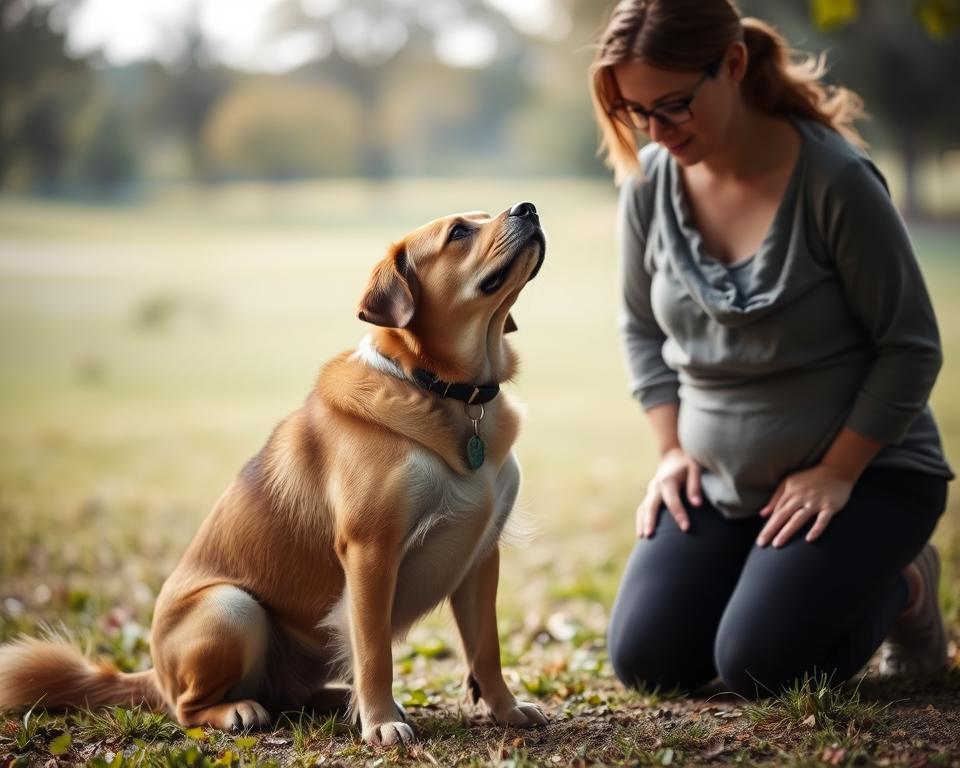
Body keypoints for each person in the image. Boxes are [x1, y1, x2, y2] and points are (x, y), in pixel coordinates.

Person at [589, 0, 954, 698]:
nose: (657, 132)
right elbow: (640, 328)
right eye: (637, 112)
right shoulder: (648, 187)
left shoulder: (835, 181)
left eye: (674, 105)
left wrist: (838, 471)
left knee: (760, 663)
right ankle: (772, 575)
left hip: (867, 476)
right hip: (719, 481)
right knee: (649, 658)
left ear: (732, 64)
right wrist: (671, 451)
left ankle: (907, 585)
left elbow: (910, 348)